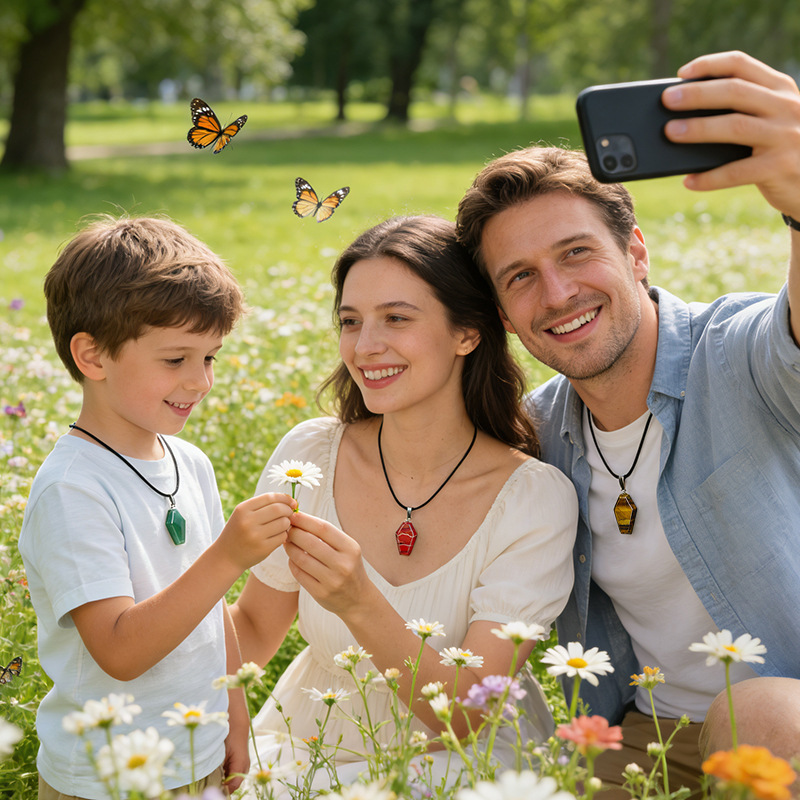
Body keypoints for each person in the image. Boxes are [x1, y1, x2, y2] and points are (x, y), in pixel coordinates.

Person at [455, 51, 800, 794]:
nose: (556, 293)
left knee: (763, 708)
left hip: (788, 719)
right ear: (503, 313)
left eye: (576, 253)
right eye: (520, 277)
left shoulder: (738, 351)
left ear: (635, 252)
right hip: (648, 733)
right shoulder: (538, 438)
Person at [230, 215, 578, 789]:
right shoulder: (311, 453)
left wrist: (359, 600)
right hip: (316, 739)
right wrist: (210, 706)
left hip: (461, 761)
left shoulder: (533, 500)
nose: (365, 347)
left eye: (396, 318)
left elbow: (463, 716)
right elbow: (254, 628)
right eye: (350, 321)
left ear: (467, 334)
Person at [19, 216, 297, 799]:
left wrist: (234, 716)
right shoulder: (74, 488)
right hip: (106, 777)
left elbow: (212, 611)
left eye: (211, 358)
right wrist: (229, 556)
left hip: (195, 756)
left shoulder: (188, 461)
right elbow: (120, 650)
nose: (201, 381)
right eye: (176, 360)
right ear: (92, 356)